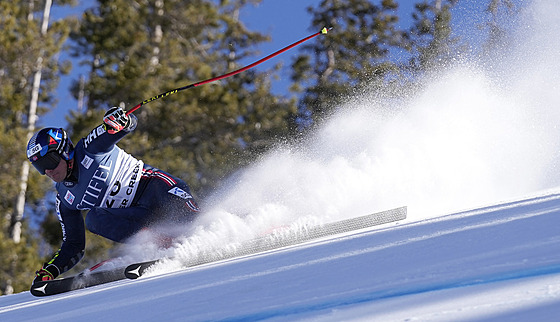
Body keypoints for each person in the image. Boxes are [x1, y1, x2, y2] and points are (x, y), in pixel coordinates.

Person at [26, 107, 200, 284]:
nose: (48, 171)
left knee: (193, 223)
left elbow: (126, 125)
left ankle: (206, 235)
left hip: (159, 190)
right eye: (40, 166)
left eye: (49, 161)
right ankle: (159, 244)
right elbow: (74, 244)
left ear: (64, 151)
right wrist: (52, 269)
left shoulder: (89, 148)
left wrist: (120, 121)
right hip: (139, 215)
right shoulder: (65, 198)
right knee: (94, 219)